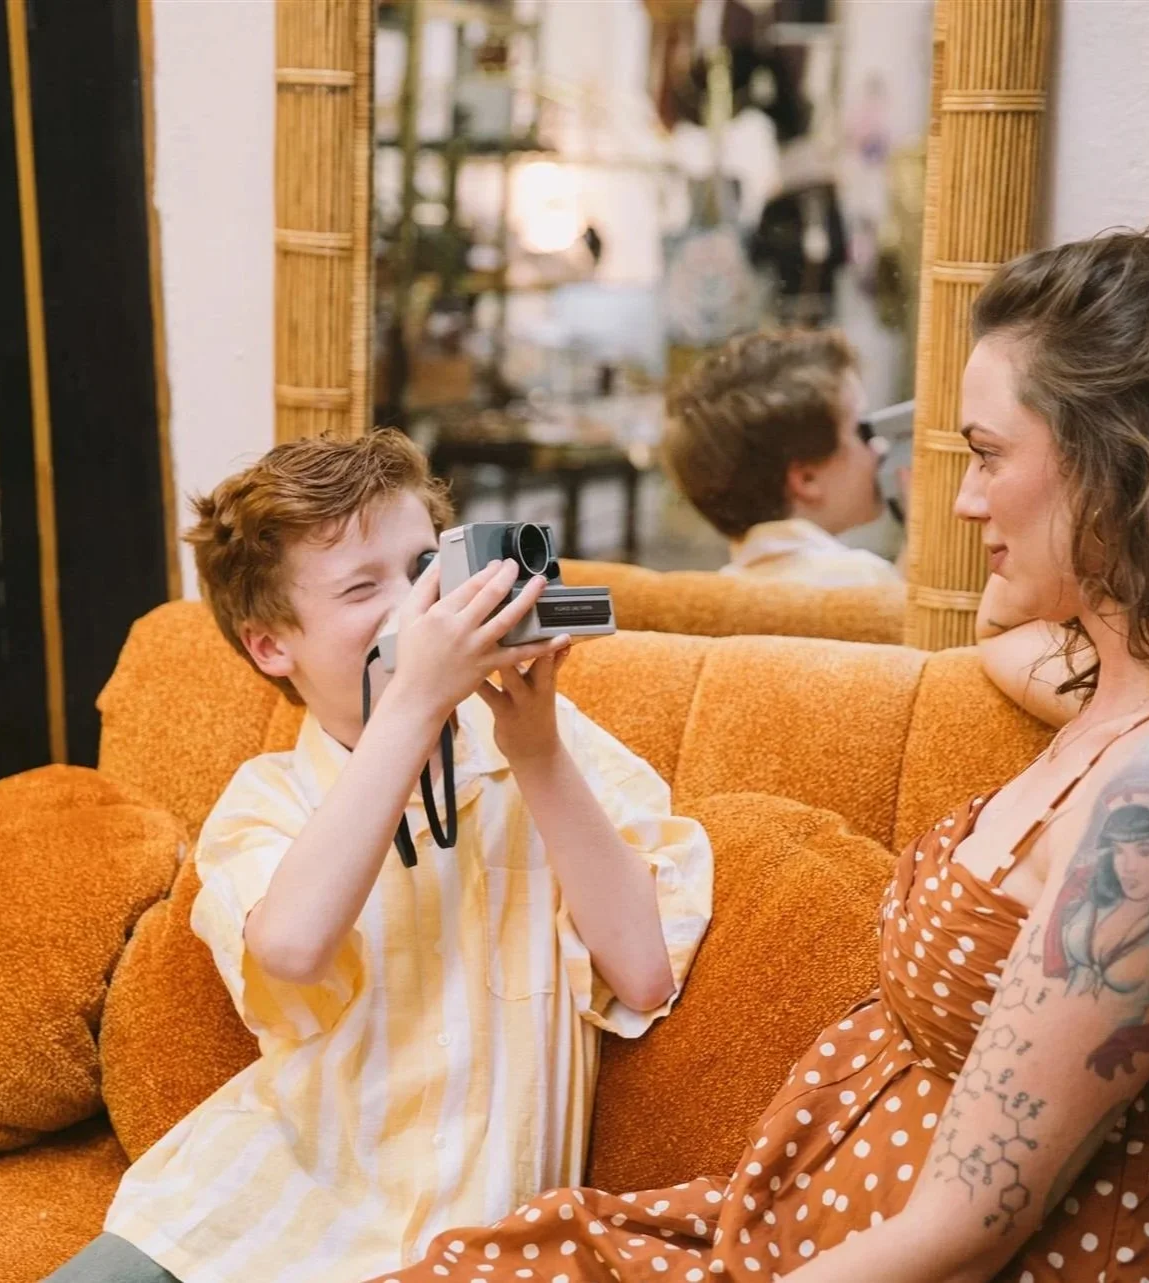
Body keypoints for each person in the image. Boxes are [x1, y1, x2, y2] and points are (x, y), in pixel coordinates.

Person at [359, 225, 1149, 1283]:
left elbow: (964, 1227)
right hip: (808, 1228)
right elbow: (1004, 633)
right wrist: (1067, 566)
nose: (960, 499)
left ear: (1125, 465)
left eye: (989, 456)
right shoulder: (1128, 682)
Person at [45, 431, 713, 1283]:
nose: (417, 608)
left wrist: (537, 749)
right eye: (364, 587)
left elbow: (645, 972)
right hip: (248, 1210)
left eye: (425, 568)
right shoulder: (268, 798)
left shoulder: (546, 750)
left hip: (467, 1240)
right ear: (268, 646)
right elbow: (288, 947)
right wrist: (416, 697)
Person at [663, 328, 901, 589]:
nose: (878, 447)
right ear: (806, 479)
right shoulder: (863, 579)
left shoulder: (725, 588)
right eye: (861, 431)